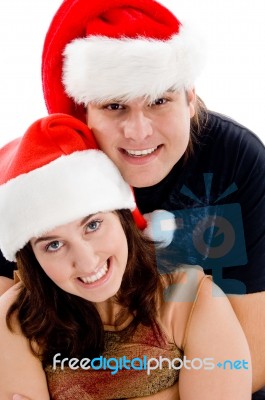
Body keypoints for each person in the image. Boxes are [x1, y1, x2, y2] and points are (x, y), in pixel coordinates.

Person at [1, 0, 265, 397]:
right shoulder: (37, 187)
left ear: (190, 98)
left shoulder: (237, 162)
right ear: (83, 112)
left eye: (159, 100)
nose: (139, 132)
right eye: (114, 106)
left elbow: (251, 361)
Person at [0, 113, 252, 400]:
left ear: (122, 216)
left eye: (93, 225)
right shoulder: (14, 320)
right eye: (54, 245)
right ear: (32, 258)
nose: (86, 261)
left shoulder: (191, 297)